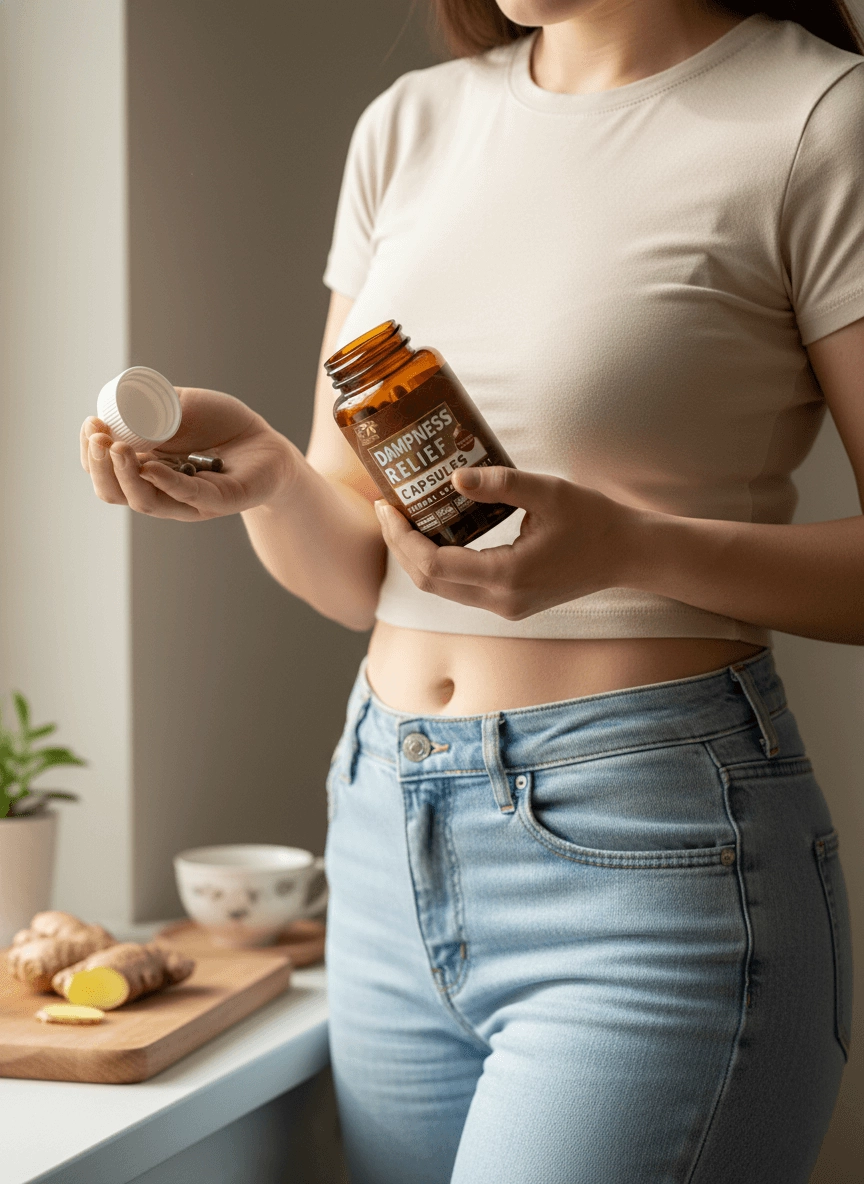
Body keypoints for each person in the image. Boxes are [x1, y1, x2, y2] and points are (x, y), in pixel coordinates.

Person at [81, 1, 861, 1179]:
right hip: (385, 832)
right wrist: (273, 479)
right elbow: (360, 575)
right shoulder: (411, 125)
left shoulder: (816, 122)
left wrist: (628, 547)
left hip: (649, 856)